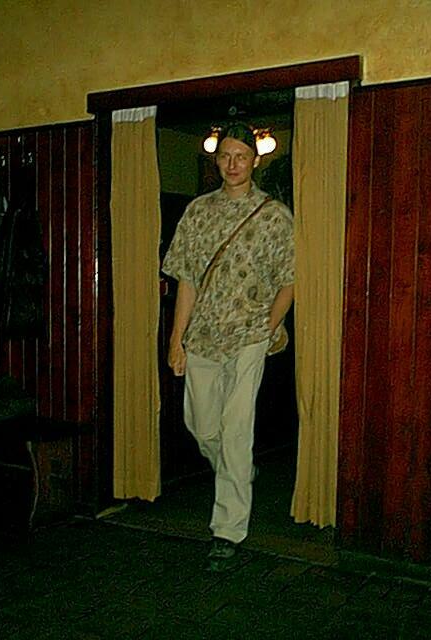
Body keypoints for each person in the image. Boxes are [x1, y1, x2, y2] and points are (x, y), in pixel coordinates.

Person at [162, 122, 294, 572]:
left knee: (236, 430)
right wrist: (177, 341)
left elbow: (290, 279)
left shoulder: (274, 215)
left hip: (249, 335)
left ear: (255, 160)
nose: (233, 164)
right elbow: (186, 280)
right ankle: (237, 470)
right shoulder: (197, 212)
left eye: (241, 156)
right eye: (225, 157)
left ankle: (227, 530)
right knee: (202, 426)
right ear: (216, 161)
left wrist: (267, 327)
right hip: (203, 334)